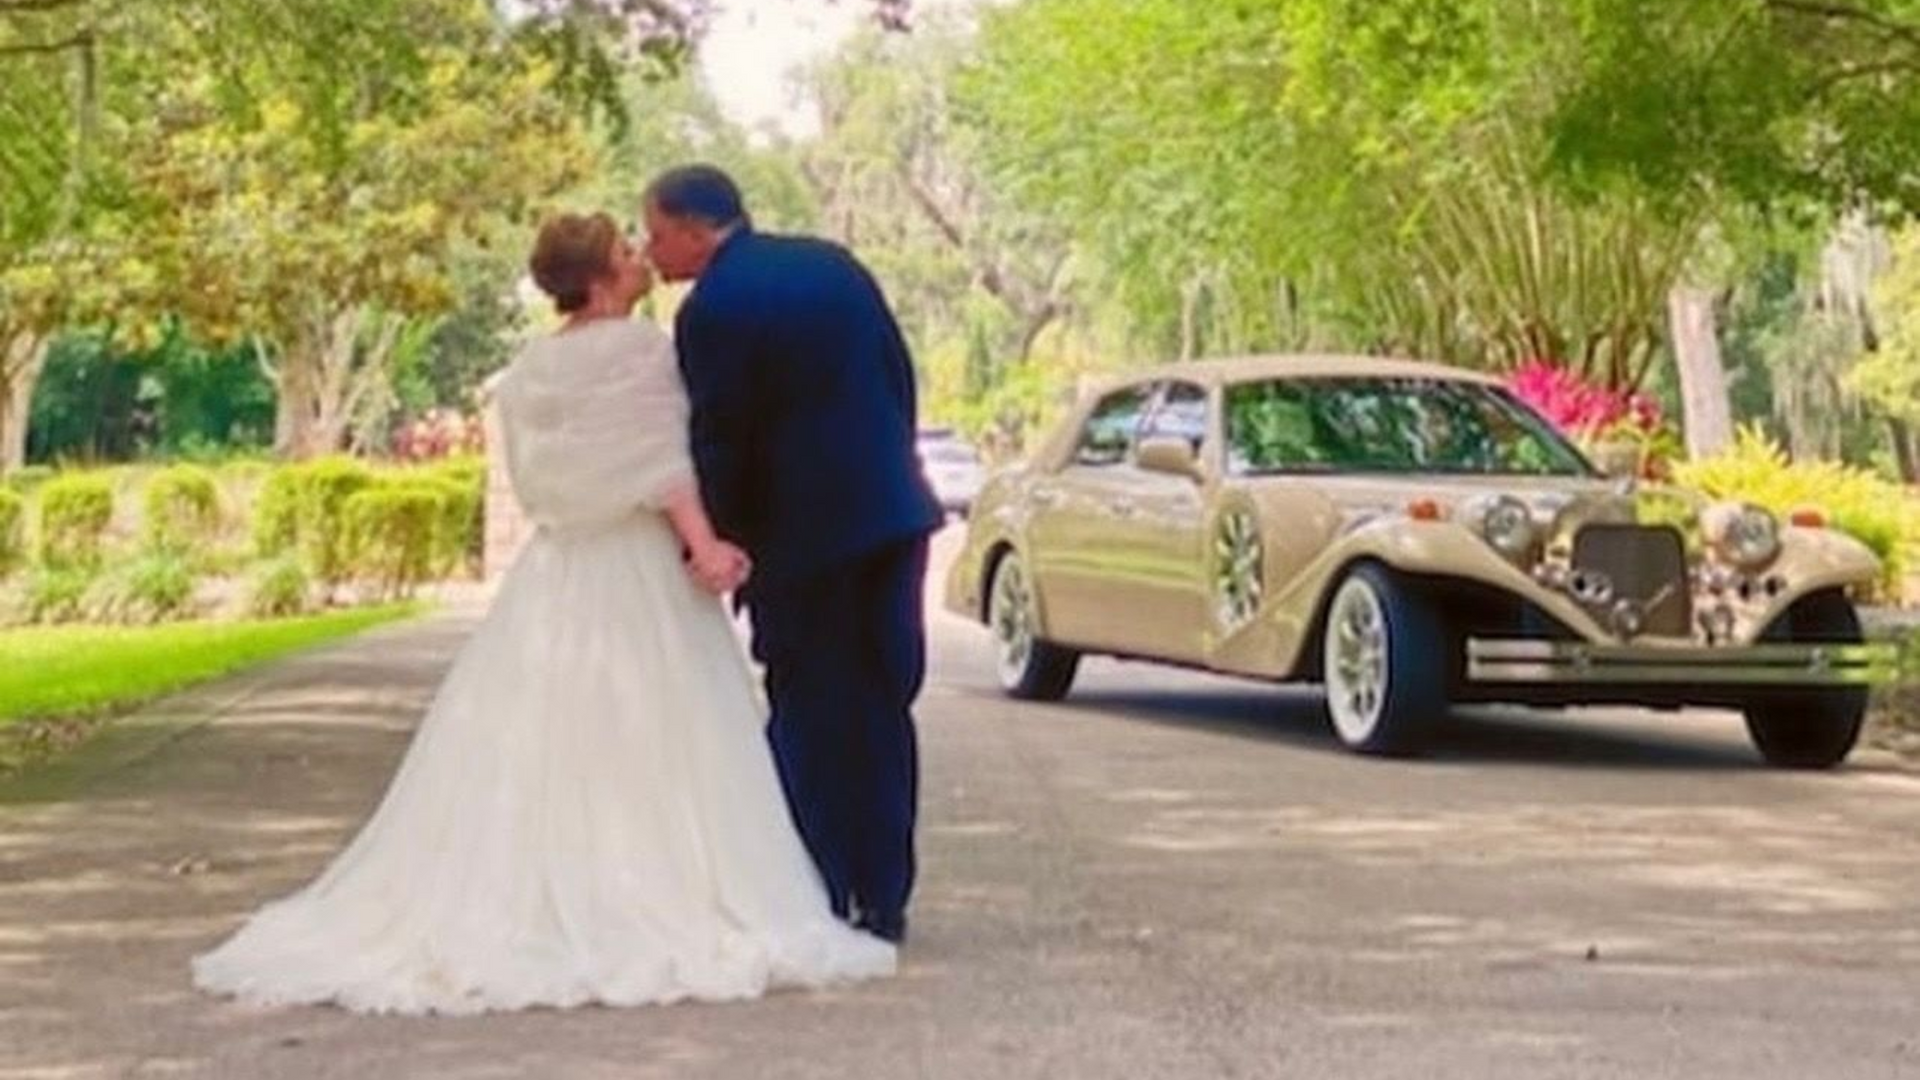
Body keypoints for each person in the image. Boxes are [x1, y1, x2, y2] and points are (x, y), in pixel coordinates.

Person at [191, 212, 894, 1016]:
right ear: (596, 281)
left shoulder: (529, 371)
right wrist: (706, 547)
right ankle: (647, 896)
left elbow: (541, 481)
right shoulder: (640, 351)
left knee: (547, 733)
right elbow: (661, 463)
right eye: (625, 255)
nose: (638, 262)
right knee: (663, 735)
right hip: (633, 563)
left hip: (557, 569)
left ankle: (550, 886)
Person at [644, 165, 943, 944]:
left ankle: (818, 881)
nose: (649, 251)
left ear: (690, 226)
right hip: (889, 515)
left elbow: (723, 436)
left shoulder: (711, 311)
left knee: (809, 706)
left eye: (655, 233)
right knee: (879, 700)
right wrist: (887, 465)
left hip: (803, 536)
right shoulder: (831, 264)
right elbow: (895, 375)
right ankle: (883, 892)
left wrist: (722, 540)